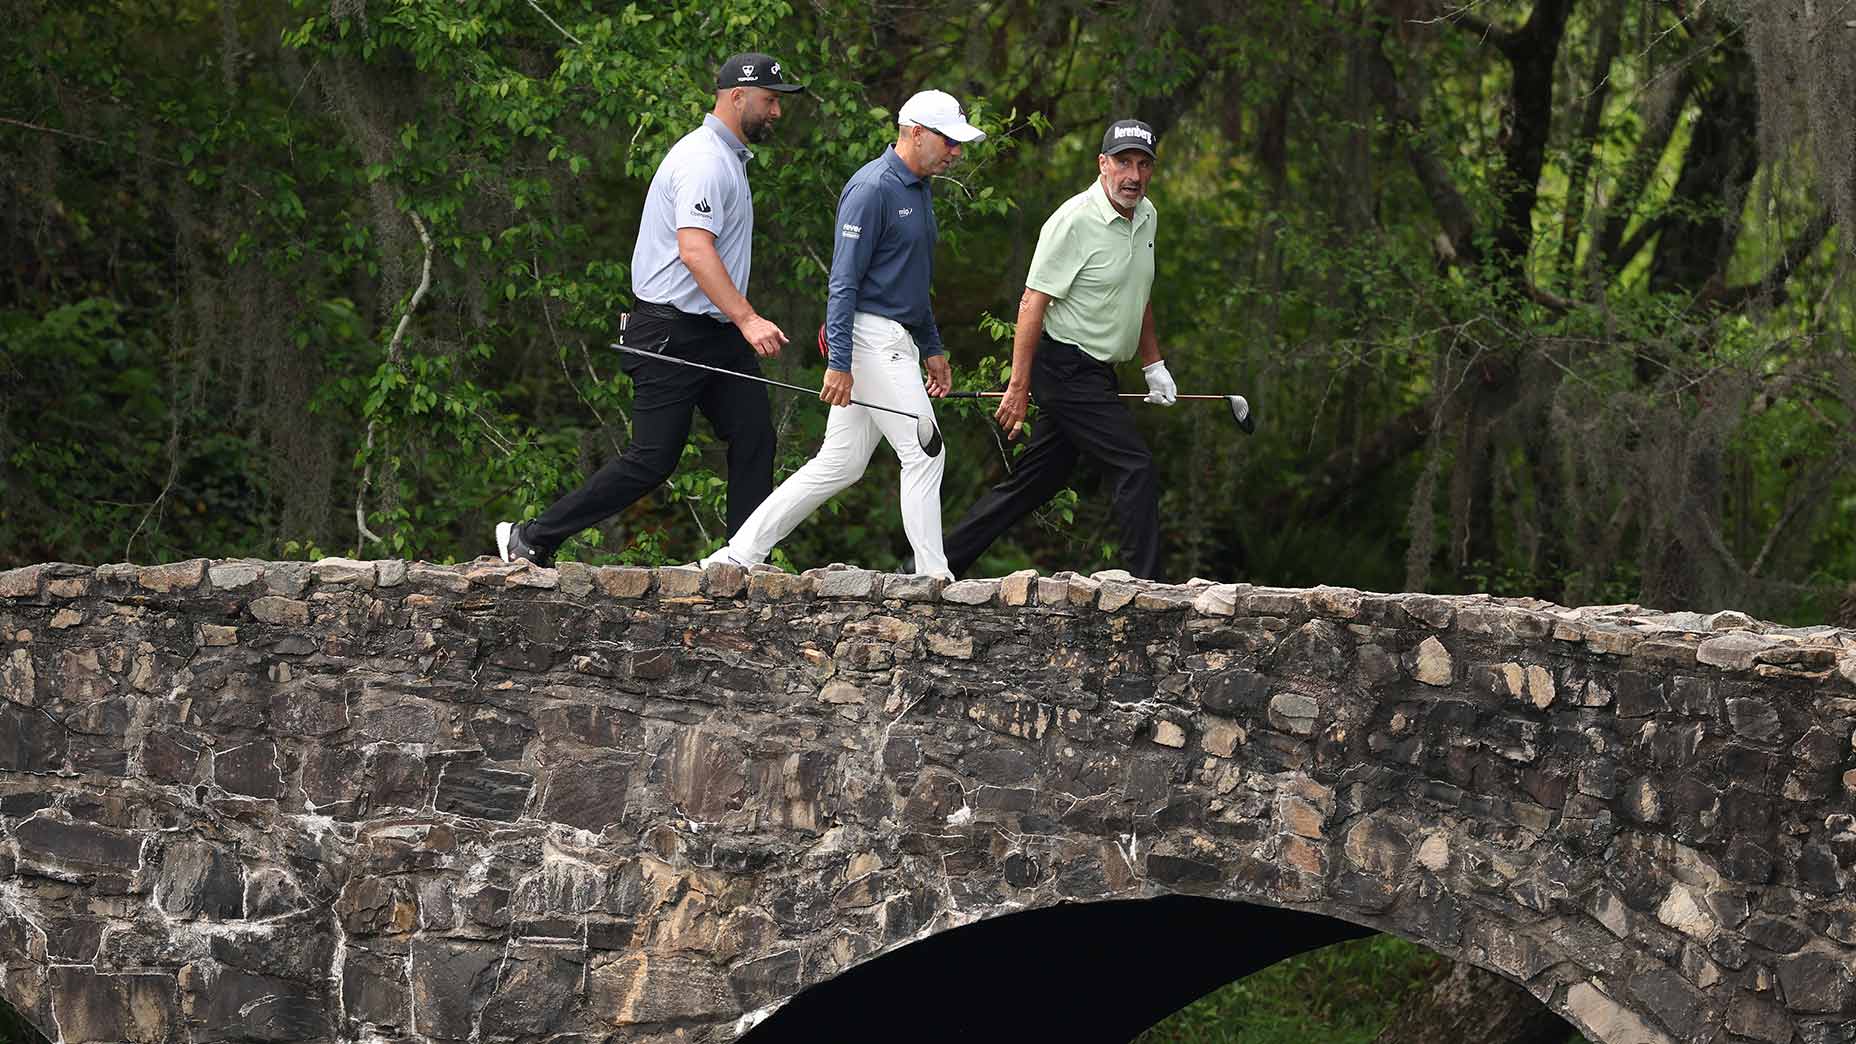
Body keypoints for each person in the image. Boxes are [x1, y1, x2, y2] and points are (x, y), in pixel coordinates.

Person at [495, 53, 804, 567]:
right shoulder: (704, 159)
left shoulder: (728, 158)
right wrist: (749, 318)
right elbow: (695, 249)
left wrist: (737, 322)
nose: (776, 112)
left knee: (753, 436)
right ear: (736, 97)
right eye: (770, 101)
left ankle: (745, 560)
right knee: (653, 459)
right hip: (669, 332)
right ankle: (531, 536)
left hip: (715, 331)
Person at [700, 90, 984, 579]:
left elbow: (912, 284)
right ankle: (934, 579)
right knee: (925, 449)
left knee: (840, 463)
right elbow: (844, 281)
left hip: (898, 340)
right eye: (949, 140)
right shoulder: (871, 188)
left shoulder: (919, 190)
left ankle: (738, 554)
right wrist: (840, 362)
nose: (956, 152)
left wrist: (933, 348)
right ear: (916, 132)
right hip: (869, 339)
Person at [942, 118, 1176, 580]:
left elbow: (1138, 291)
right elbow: (1033, 302)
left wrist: (1154, 364)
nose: (1133, 175)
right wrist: (1018, 384)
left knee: (1035, 482)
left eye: (1143, 164)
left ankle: (934, 564)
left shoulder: (1146, 215)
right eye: (1123, 162)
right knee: (1135, 464)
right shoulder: (1072, 221)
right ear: (1102, 164)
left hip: (1097, 371)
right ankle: (1148, 587)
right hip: (1065, 366)